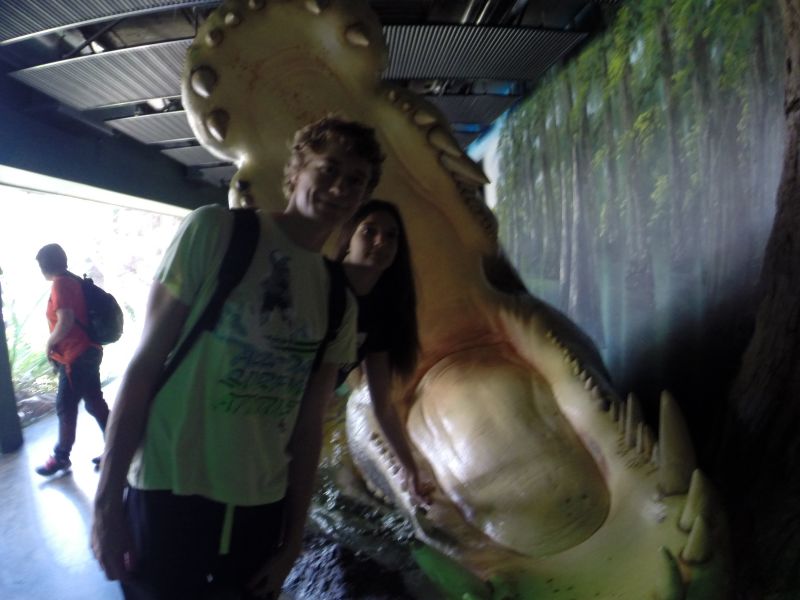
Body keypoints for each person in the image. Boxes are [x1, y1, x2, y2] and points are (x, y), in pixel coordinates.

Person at [91, 115, 384, 600]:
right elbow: (143, 366)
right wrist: (106, 502)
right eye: (328, 169)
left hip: (258, 507)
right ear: (296, 170)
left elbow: (309, 425)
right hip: (168, 489)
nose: (339, 187)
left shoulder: (338, 300)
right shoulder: (216, 232)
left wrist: (292, 540)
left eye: (355, 180)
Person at [335, 200, 433, 503]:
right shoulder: (321, 284)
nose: (381, 242)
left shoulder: (380, 312)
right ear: (348, 238)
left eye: (391, 236)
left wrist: (410, 469)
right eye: (369, 231)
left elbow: (383, 406)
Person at [34, 243, 109, 476]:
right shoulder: (72, 280)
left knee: (66, 406)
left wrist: (49, 343)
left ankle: (61, 457)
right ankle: (117, 447)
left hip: (76, 355)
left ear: (44, 265)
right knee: (94, 403)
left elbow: (65, 321)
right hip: (87, 351)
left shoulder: (60, 284)